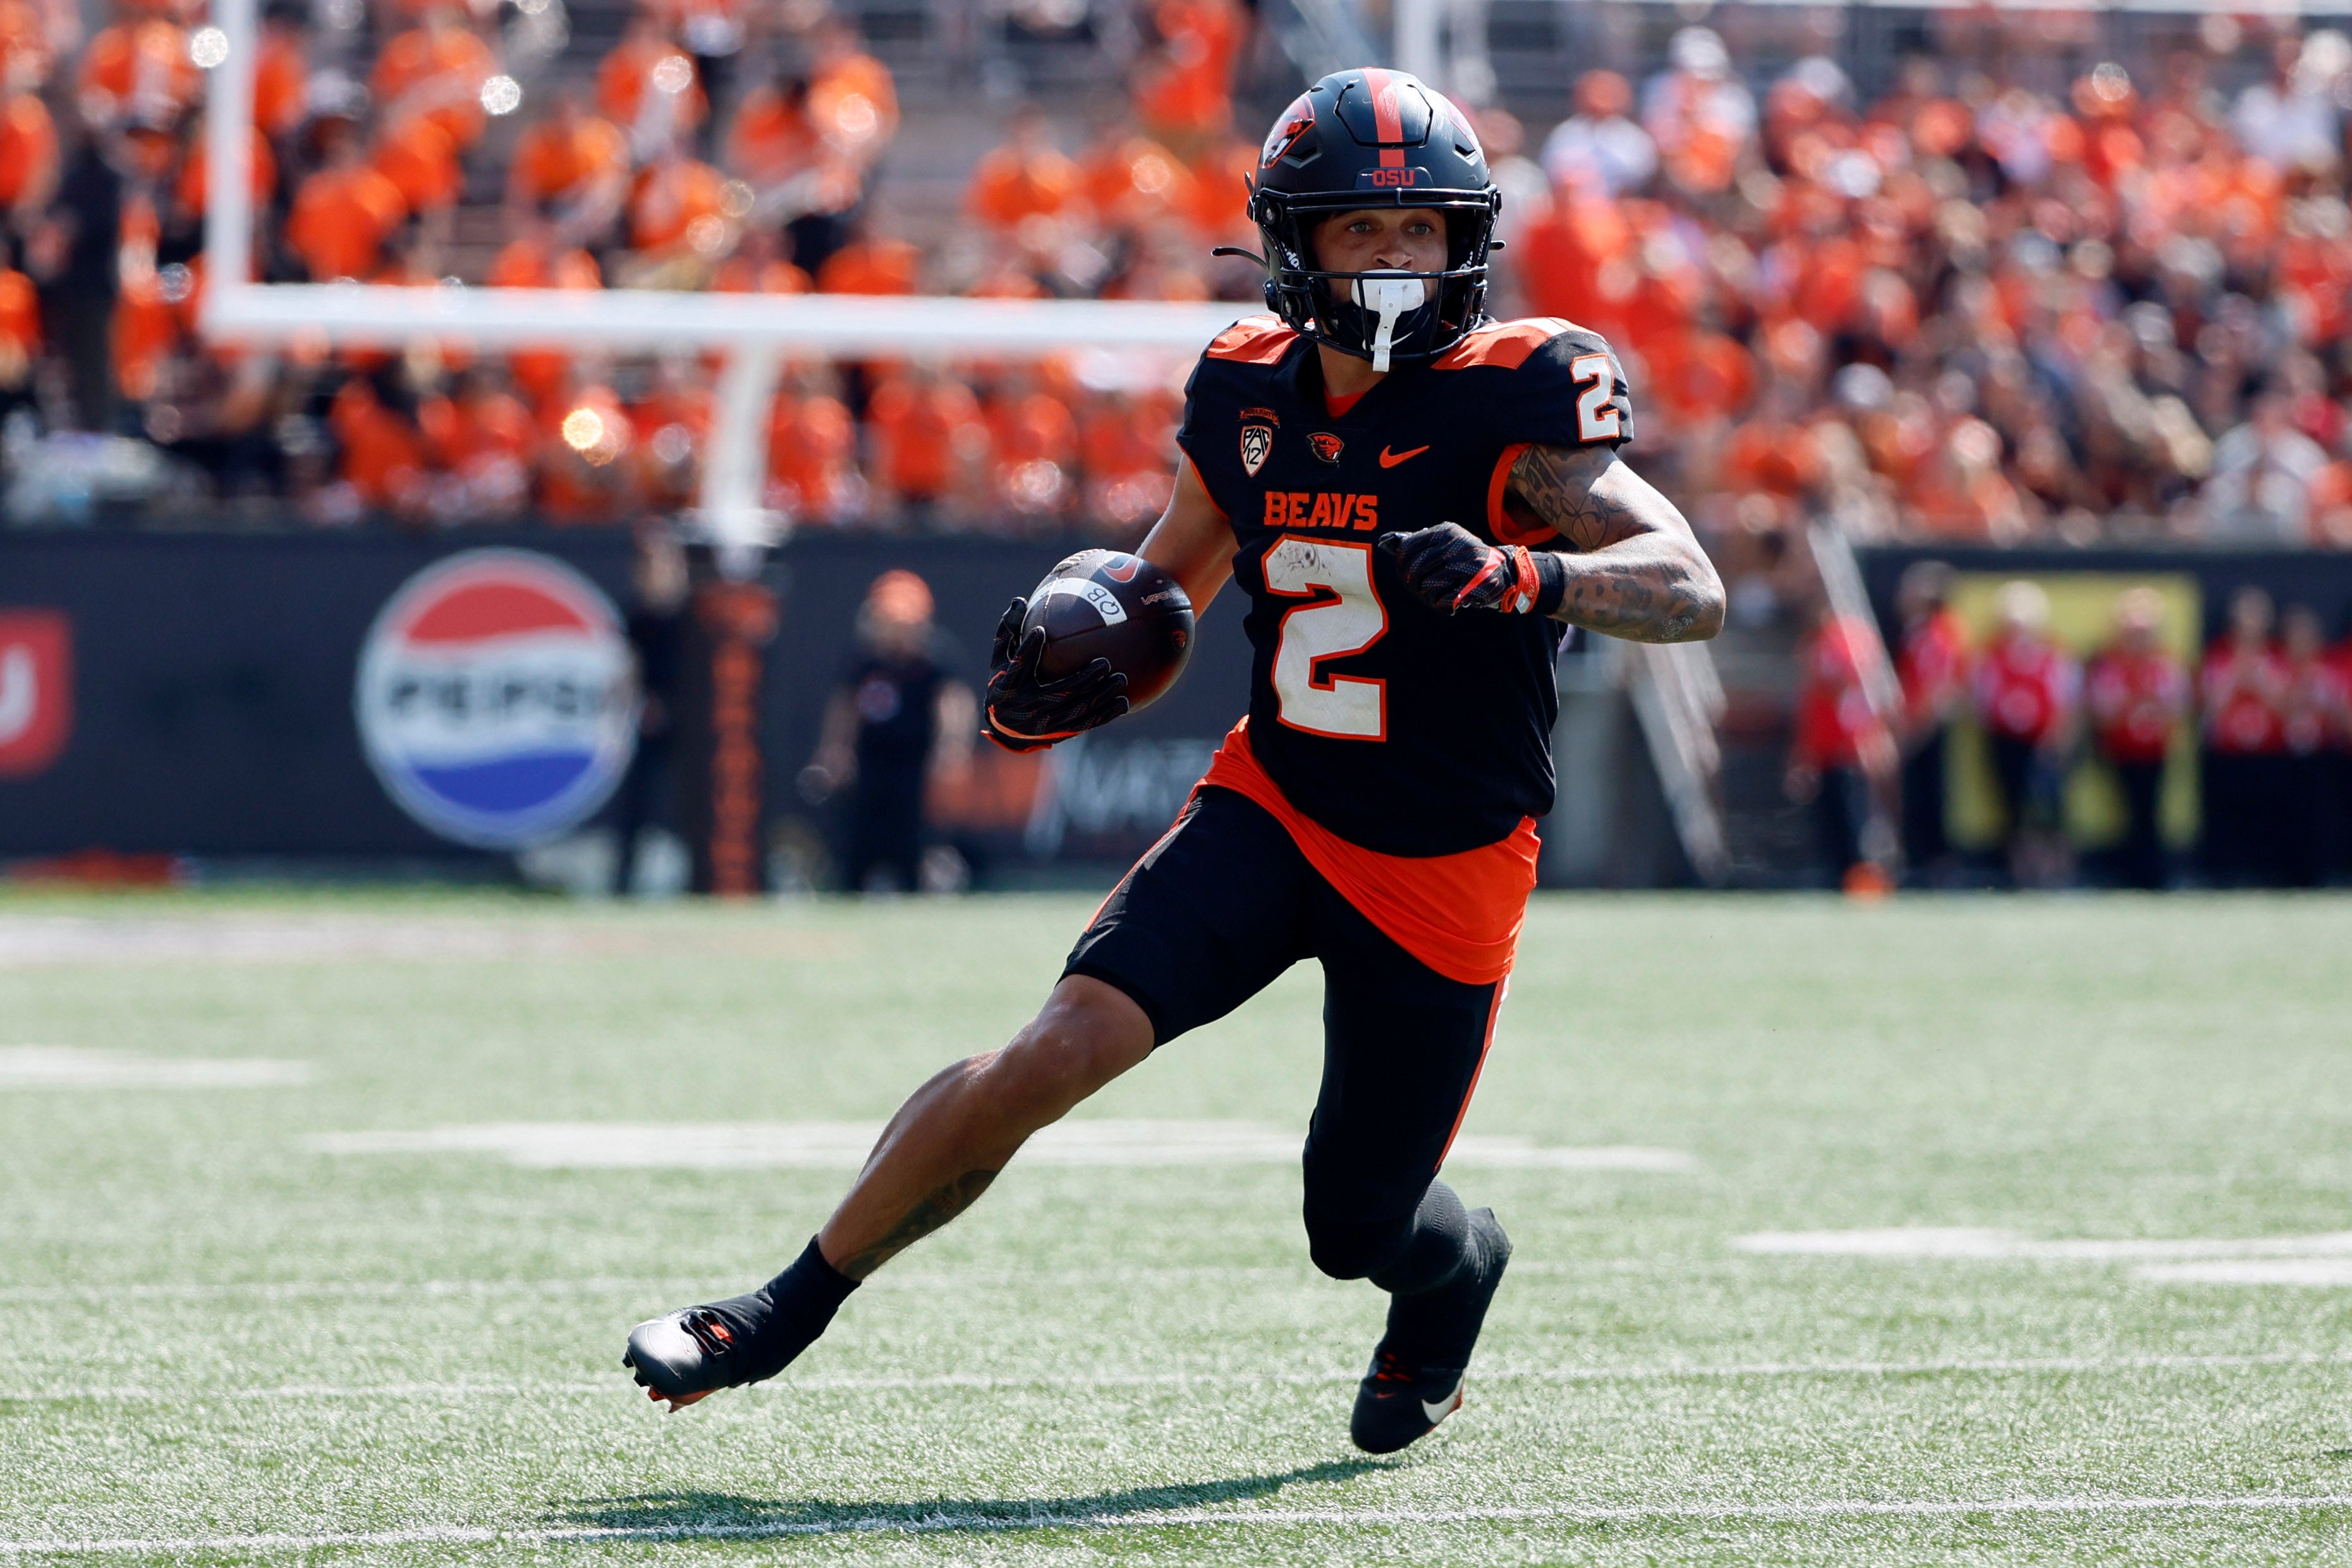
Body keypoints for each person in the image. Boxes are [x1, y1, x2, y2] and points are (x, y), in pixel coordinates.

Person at [621, 68, 1725, 1454]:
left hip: (1442, 857)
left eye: (1422, 230)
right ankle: (784, 1306)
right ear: (1296, 242)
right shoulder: (1246, 388)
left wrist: (1531, 574)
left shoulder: (1514, 397)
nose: (1398, 257)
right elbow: (1167, 591)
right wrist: (1073, 672)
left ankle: (1453, 1272)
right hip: (1277, 802)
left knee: (1355, 1224)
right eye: (1364, 229)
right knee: (1056, 1046)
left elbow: (1690, 584)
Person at [802, 570, 974, 894]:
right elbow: (845, 708)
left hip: (914, 764)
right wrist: (835, 751)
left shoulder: (936, 658)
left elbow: (953, 703)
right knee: (859, 844)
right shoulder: (864, 659)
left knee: (912, 841)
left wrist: (951, 747)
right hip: (870, 761)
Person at [1785, 595, 1896, 892]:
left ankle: (1862, 878)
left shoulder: (1845, 642)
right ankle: (1839, 876)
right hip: (1824, 748)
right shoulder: (1817, 644)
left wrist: (1869, 739)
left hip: (1847, 749)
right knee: (1831, 818)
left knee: (1854, 816)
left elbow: (1851, 690)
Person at [1971, 580, 2078, 886]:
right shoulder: (1992, 656)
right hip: (2007, 740)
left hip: (2044, 741)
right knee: (2012, 807)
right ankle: (2020, 872)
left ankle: (2059, 871)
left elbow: (2067, 701)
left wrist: (2057, 740)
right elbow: (1982, 701)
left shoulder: (2053, 655)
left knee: (2052, 808)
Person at [2084, 587, 2188, 890]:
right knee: (2127, 810)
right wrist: (2137, 702)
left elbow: (2176, 706)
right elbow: (2103, 711)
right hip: (2121, 748)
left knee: (2151, 810)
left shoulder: (2165, 664)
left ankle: (2152, 872)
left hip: (2155, 749)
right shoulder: (2111, 665)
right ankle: (2130, 871)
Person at [611, 525, 690, 894]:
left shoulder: (695, 614)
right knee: (639, 802)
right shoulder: (640, 617)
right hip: (653, 722)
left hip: (692, 723)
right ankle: (625, 880)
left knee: (692, 802)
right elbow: (631, 670)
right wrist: (623, 714)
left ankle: (699, 878)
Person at [2198, 585, 2288, 885]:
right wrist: (2236, 678)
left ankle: (2268, 872)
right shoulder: (2219, 655)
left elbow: (2288, 707)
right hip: (2229, 751)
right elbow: (2210, 708)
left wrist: (2260, 682)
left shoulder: (2277, 655)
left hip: (2270, 751)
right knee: (2229, 818)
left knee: (2269, 817)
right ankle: (2228, 874)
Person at [1892, 560, 1968, 883]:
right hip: (1916, 722)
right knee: (1917, 792)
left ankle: (1934, 860)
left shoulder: (1937, 634)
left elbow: (1938, 687)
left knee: (1929, 790)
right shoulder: (1919, 632)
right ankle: (1920, 856)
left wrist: (1916, 727)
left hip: (1927, 725)